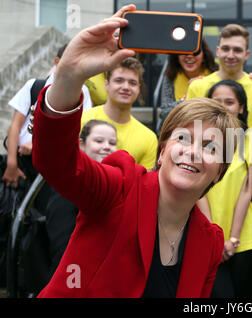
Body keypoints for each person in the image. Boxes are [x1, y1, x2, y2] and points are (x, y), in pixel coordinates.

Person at [30, 4, 241, 298]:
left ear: (220, 170)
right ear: (162, 150)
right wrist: (69, 76)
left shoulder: (211, 242)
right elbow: (55, 161)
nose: (193, 152)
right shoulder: (119, 188)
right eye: (183, 138)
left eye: (211, 147)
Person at [186, 23, 252, 217]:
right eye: (225, 48)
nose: (230, 54)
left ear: (247, 54)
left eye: (237, 50)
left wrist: (250, 164)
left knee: (244, 242)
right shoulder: (199, 86)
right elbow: (189, 130)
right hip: (204, 176)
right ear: (218, 51)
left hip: (245, 179)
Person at [27, 120, 118, 296]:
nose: (106, 147)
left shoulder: (112, 183)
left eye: (112, 143)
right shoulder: (68, 186)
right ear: (82, 144)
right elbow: (62, 248)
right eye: (99, 141)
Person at [197, 80, 252, 298]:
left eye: (230, 102)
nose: (224, 106)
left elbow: (247, 190)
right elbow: (199, 189)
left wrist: (233, 239)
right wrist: (213, 236)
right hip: (206, 230)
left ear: (241, 107)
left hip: (242, 234)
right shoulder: (200, 138)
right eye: (217, 101)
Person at [2, 44, 92, 188]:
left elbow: (79, 129)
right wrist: (11, 163)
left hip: (55, 163)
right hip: (22, 160)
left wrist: (39, 145)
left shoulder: (83, 92)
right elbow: (15, 126)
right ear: (57, 62)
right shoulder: (35, 86)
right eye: (70, 62)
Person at [80, 57, 158, 170]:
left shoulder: (148, 139)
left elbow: (143, 184)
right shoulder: (82, 120)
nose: (126, 87)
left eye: (132, 83)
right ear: (106, 84)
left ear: (139, 88)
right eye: (119, 80)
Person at [158, 39, 218, 130]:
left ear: (204, 55)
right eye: (184, 52)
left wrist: (202, 87)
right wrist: (189, 95)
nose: (189, 56)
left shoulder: (215, 74)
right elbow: (164, 113)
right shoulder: (171, 76)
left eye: (195, 52)